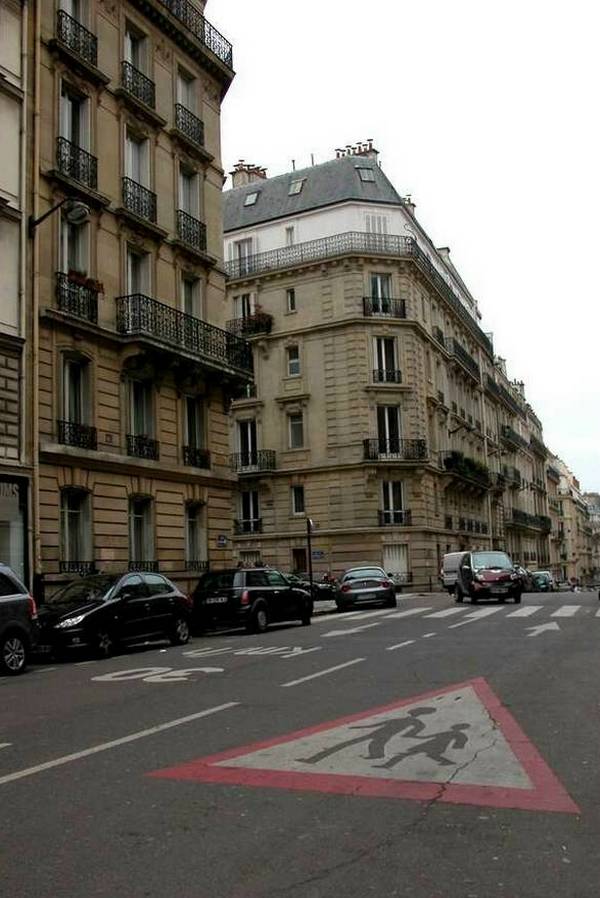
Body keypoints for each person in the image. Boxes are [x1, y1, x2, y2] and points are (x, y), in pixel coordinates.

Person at [297, 707, 437, 765]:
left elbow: (415, 731)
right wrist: (359, 727)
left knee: (348, 744)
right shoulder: (411, 721)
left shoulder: (415, 721)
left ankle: (313, 759)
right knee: (371, 745)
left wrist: (415, 736)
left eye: (417, 710)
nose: (413, 711)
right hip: (378, 734)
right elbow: (378, 724)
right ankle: (313, 759)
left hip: (383, 735)